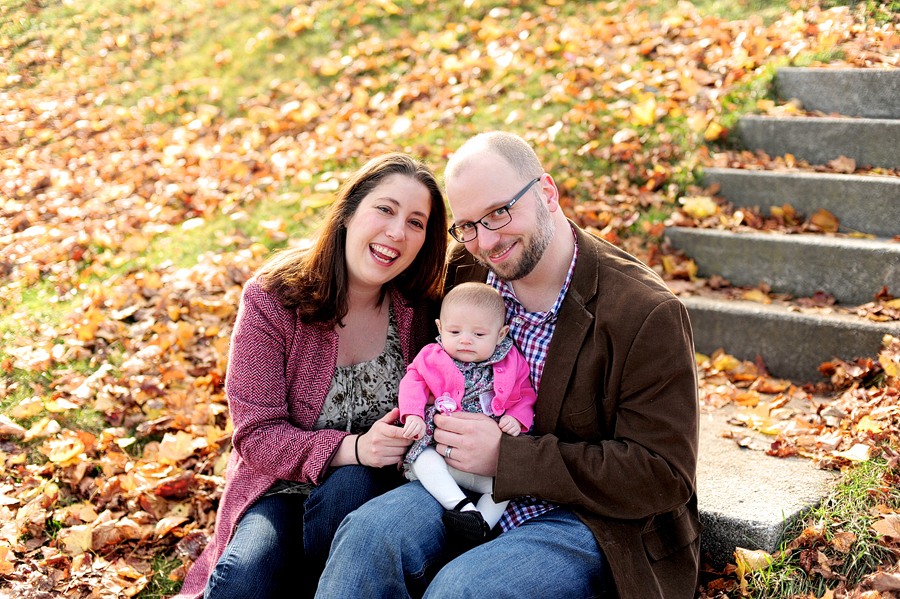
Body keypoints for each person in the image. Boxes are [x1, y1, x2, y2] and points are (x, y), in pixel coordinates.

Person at [315, 132, 701, 599]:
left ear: (547, 192)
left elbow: (663, 474)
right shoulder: (469, 269)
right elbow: (376, 269)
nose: (488, 240)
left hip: (587, 518)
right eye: (469, 225)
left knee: (462, 591)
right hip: (464, 486)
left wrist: (508, 457)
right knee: (366, 538)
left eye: (500, 212)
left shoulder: (644, 312)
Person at [172, 153, 448, 599]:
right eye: (385, 209)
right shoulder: (275, 298)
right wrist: (354, 447)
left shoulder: (421, 309)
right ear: (347, 213)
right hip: (281, 487)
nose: (397, 232)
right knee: (245, 582)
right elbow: (256, 437)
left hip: (375, 492)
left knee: (353, 486)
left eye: (416, 222)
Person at [399, 282, 537, 546]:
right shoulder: (432, 357)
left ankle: (481, 525)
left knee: (506, 486)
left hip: (486, 463)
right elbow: (412, 382)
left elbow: (525, 393)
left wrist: (518, 417)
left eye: (478, 334)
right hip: (441, 449)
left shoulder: (511, 362)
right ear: (440, 328)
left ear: (501, 334)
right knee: (423, 461)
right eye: (455, 331)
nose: (465, 340)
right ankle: (464, 509)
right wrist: (413, 414)